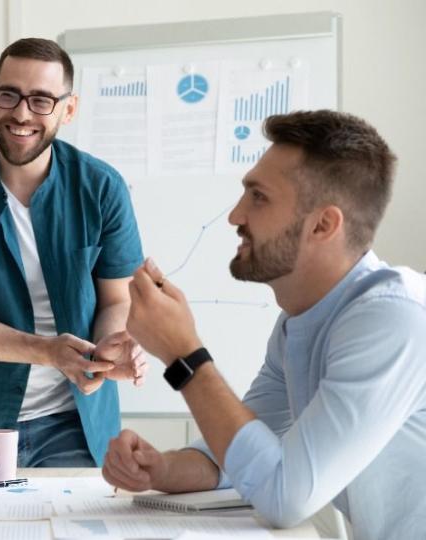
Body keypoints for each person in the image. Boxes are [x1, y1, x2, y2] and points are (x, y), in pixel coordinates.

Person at [104, 110, 426, 539]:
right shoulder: (300, 322)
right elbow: (243, 451)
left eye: (258, 197)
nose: (235, 216)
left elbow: (282, 496)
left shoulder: (393, 318)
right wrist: (162, 469)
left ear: (324, 225)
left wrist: (184, 354)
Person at [0, 38, 147, 469]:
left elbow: (118, 299)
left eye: (41, 100)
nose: (21, 113)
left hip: (76, 421)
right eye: (9, 95)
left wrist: (107, 349)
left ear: (68, 110)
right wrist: (49, 351)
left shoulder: (102, 188)